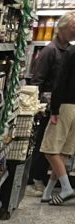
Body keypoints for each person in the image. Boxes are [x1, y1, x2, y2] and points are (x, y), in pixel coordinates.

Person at [28, 12, 75, 195]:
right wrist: (41, 104)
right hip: (50, 106)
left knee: (57, 147)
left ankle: (48, 188)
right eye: (73, 25)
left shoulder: (69, 50)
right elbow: (37, 82)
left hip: (61, 104)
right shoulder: (50, 50)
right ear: (63, 27)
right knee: (44, 145)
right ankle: (36, 180)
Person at [41, 44, 75, 204]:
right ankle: (47, 193)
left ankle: (67, 188)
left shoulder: (71, 51)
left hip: (66, 105)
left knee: (50, 150)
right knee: (61, 153)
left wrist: (54, 109)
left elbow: (60, 81)